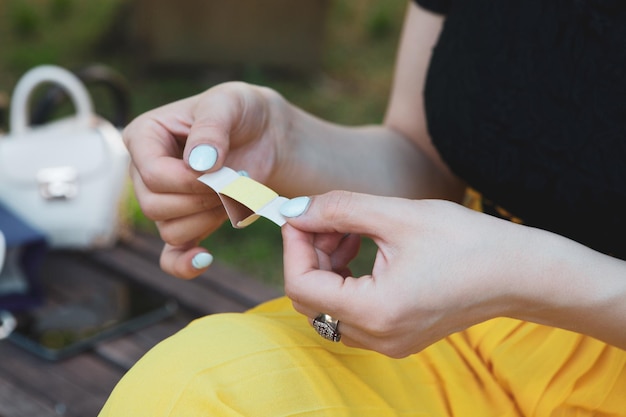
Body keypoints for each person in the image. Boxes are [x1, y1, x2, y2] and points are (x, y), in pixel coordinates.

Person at [99, 1, 626, 415]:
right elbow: (424, 156)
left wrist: (527, 278)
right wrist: (283, 143)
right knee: (184, 398)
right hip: (465, 332)